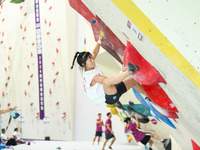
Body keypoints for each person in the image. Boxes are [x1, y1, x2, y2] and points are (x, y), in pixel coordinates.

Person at [71, 34, 147, 106]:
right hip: (109, 97)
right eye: (90, 60)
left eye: (91, 58)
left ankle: (149, 96)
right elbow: (109, 81)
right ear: (83, 65)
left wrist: (99, 40)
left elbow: (94, 52)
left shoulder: (89, 64)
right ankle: (130, 70)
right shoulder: (91, 76)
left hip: (111, 89)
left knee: (134, 81)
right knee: (106, 82)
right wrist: (122, 72)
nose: (93, 60)